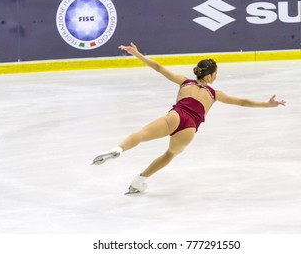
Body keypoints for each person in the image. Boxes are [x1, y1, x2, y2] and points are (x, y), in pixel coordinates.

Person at [92, 43, 286, 194]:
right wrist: (267, 104)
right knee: (169, 154)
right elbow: (242, 102)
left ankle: (118, 149)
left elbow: (159, 68)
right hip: (189, 129)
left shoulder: (185, 81)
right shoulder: (214, 93)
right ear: (210, 76)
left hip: (176, 116)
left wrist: (138, 54)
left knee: (142, 134)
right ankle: (139, 180)